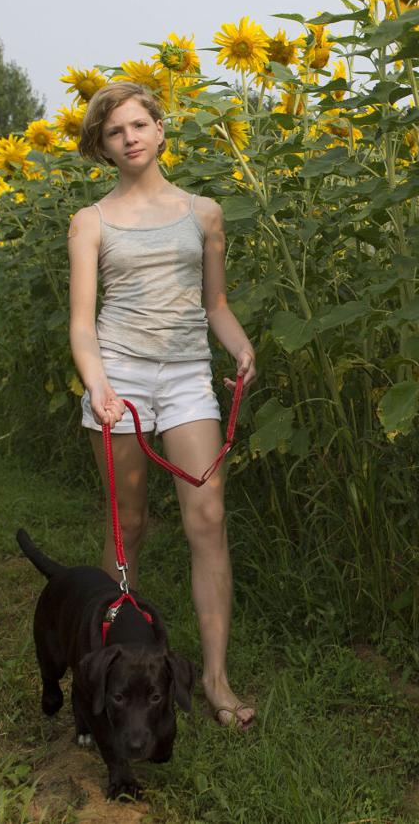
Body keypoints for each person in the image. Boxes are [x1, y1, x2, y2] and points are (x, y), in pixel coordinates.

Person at [67, 80, 256, 732]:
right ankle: (108, 669)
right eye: (116, 131)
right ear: (104, 147)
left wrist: (240, 347)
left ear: (159, 129)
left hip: (185, 380)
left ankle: (215, 679)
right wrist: (98, 386)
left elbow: (217, 306)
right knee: (132, 528)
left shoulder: (203, 213)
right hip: (118, 382)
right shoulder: (89, 223)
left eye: (139, 124)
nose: (130, 137)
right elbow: (83, 324)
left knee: (207, 518)